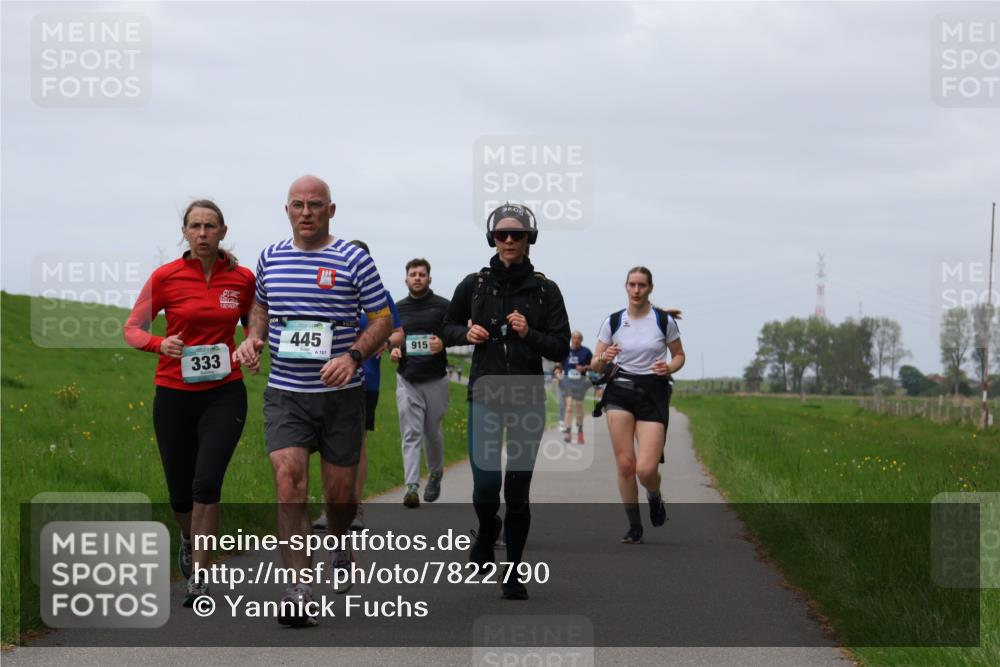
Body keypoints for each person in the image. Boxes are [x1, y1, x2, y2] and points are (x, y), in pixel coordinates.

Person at [232, 175, 392, 627]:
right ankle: (297, 591)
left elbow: (381, 319)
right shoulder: (271, 258)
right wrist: (254, 339)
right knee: (288, 482)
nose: (307, 212)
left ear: (331, 210)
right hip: (286, 393)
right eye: (298, 204)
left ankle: (341, 542)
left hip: (341, 396)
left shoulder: (353, 259)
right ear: (286, 210)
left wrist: (354, 355)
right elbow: (259, 309)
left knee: (340, 499)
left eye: (315, 205)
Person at [124, 200, 255, 607]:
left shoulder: (242, 278)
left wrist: (252, 343)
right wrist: (160, 343)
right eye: (195, 226)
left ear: (222, 231)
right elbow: (132, 329)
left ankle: (200, 574)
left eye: (210, 226)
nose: (202, 233)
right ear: (184, 231)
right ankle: (186, 535)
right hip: (174, 394)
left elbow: (254, 324)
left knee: (206, 483)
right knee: (180, 493)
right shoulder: (165, 277)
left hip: (224, 392)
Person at [442, 202, 570, 600]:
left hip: (528, 397)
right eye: (502, 235)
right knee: (485, 484)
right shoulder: (474, 285)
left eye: (517, 235)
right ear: (492, 239)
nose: (510, 240)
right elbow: (444, 328)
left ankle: (513, 572)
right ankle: (487, 527)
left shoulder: (546, 290)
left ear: (530, 239)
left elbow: (562, 347)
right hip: (486, 393)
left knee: (516, 490)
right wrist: (468, 335)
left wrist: (529, 333)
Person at [591, 267, 685, 545]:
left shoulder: (663, 320)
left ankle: (654, 497)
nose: (636, 290)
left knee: (646, 469)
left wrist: (668, 366)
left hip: (652, 392)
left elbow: (679, 355)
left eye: (641, 285)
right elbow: (595, 364)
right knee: (625, 465)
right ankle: (634, 526)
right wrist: (604, 357)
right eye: (632, 284)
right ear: (626, 287)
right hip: (619, 390)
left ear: (650, 288)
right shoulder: (614, 321)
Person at [313, 240, 403, 531]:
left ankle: (355, 508)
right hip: (325, 378)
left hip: (365, 379)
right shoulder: (324, 292)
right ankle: (331, 508)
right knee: (327, 446)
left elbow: (398, 331)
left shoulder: (381, 296)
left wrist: (385, 342)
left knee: (356, 445)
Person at [389, 258, 451, 508]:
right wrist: (392, 350)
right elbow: (390, 337)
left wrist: (444, 341)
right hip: (408, 379)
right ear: (406, 279)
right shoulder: (397, 308)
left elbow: (455, 332)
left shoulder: (443, 306)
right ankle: (411, 486)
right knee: (411, 432)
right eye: (413, 274)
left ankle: (435, 473)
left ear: (429, 279)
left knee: (432, 432)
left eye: (422, 274)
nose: (417, 278)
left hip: (436, 378)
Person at [560, 331, 593, 444]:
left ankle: (580, 431)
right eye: (574, 338)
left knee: (579, 408)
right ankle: (568, 432)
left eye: (578, 338)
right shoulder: (565, 351)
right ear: (571, 339)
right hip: (568, 381)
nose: (576, 340)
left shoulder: (586, 352)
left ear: (581, 340)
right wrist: (556, 372)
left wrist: (584, 368)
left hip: (580, 382)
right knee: (569, 407)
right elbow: (558, 365)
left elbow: (593, 366)